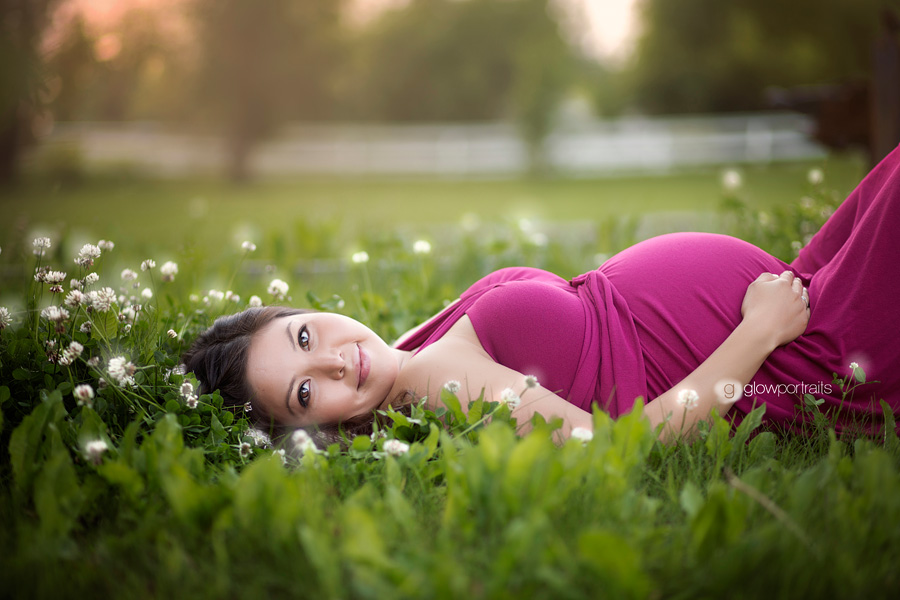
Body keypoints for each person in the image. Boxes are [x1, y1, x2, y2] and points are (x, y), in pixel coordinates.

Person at [183, 145, 900, 445]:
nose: (336, 365)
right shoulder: (443, 386)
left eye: (306, 338)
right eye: (306, 395)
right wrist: (760, 331)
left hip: (791, 298)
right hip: (802, 355)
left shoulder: (407, 357)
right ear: (314, 431)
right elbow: (622, 451)